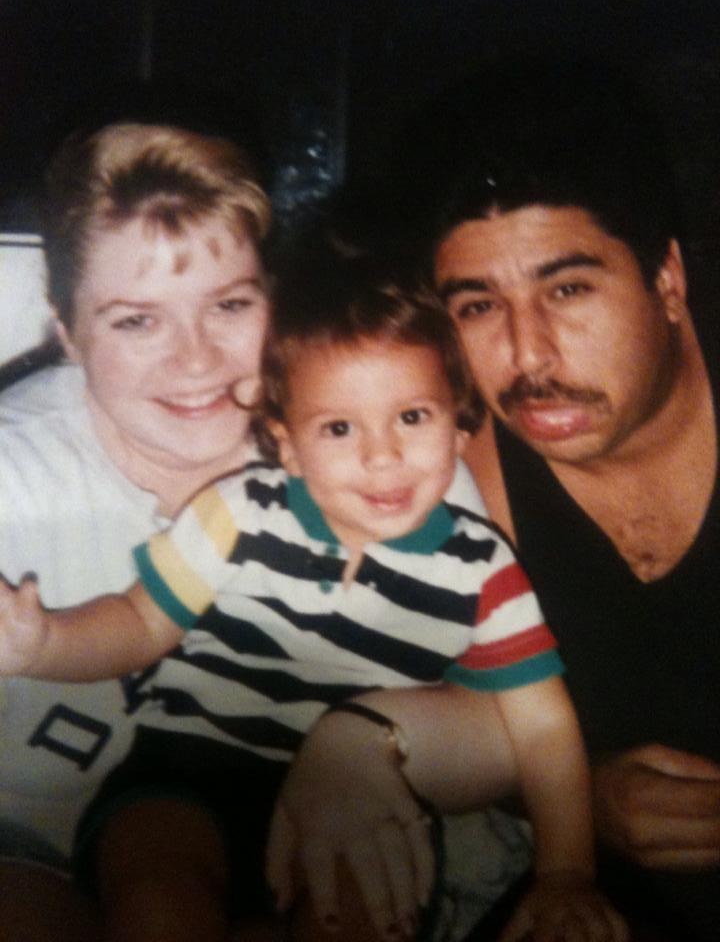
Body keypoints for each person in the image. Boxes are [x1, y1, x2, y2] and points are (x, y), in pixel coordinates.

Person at [0, 254, 627, 942]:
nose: (381, 456)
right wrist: (45, 643)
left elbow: (541, 727)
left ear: (459, 427)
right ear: (288, 445)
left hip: (361, 803)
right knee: (158, 902)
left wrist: (566, 873)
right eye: (338, 428)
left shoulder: (482, 568)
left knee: (365, 915)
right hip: (189, 773)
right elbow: (138, 622)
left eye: (411, 416)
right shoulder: (240, 512)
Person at [277, 58, 718, 941]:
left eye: (568, 289)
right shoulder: (449, 463)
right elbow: (494, 712)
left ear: (668, 280)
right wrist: (362, 744)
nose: (529, 354)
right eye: (479, 306)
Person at [0, 119, 272, 940]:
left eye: (229, 305)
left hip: (249, 839)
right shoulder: (15, 476)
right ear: (66, 328)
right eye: (136, 321)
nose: (197, 360)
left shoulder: (355, 445)